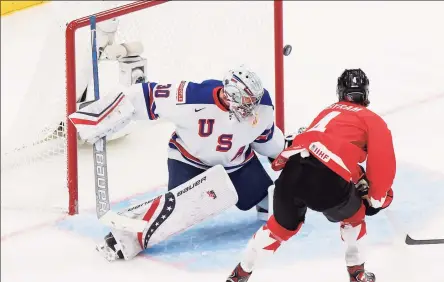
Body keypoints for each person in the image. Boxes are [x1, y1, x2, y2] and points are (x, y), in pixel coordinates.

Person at [68, 65, 285, 261]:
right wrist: (96, 118)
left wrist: (281, 152)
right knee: (178, 208)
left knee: (263, 196)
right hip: (189, 160)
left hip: (235, 163)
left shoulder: (262, 106)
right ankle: (123, 239)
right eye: (247, 102)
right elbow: (144, 94)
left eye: (253, 102)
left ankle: (262, 199)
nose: (252, 109)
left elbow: (265, 137)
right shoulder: (190, 97)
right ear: (231, 97)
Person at [225, 69, 396, 282]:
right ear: (365, 94)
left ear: (340, 92)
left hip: (292, 169)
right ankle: (357, 272)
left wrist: (358, 179)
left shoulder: (327, 112)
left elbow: (323, 146)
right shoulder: (372, 119)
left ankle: (241, 270)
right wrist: (377, 199)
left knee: (280, 227)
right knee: (354, 216)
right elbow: (382, 163)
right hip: (328, 179)